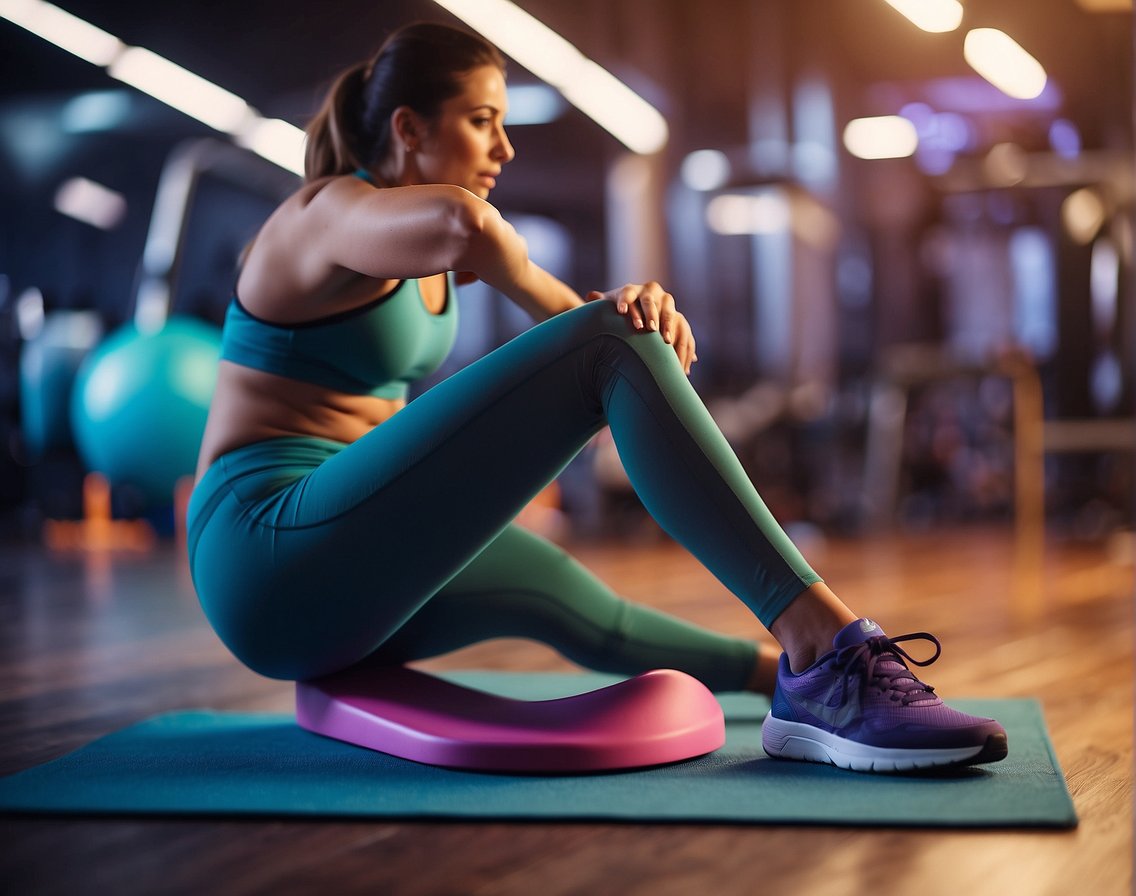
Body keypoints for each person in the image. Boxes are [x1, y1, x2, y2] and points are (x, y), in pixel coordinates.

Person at [187, 21, 1006, 773]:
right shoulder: (325, 213)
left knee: (571, 601)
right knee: (611, 341)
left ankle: (784, 678)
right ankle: (823, 645)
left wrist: (615, 327)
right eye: (481, 120)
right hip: (263, 553)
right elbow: (466, 229)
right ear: (409, 129)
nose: (504, 147)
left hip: (339, 562)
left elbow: (491, 256)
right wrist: (598, 326)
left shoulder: (414, 231)